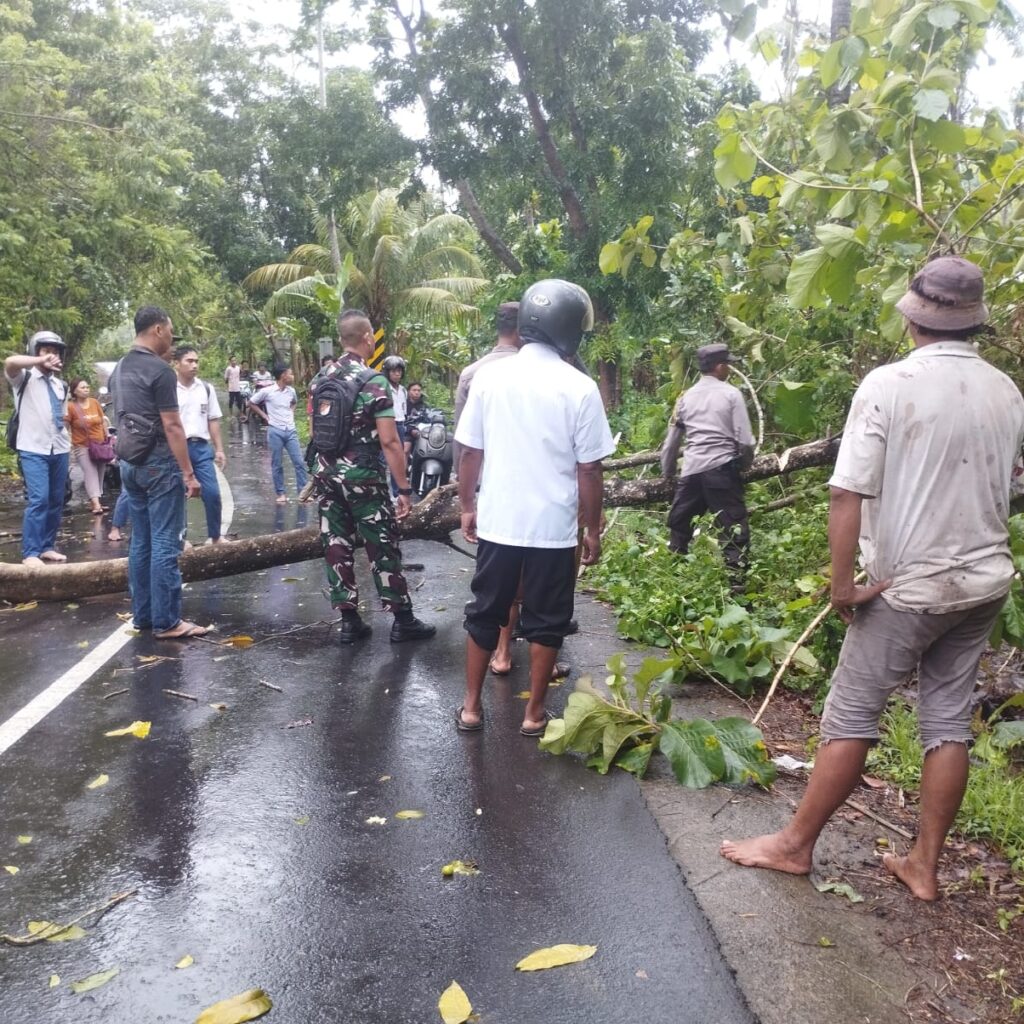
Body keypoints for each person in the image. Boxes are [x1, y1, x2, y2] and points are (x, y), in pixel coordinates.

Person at [721, 256, 1024, 902]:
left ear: (913, 318)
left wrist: (840, 588)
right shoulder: (1007, 392)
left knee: (852, 712)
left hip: (906, 588)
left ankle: (795, 845)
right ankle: (925, 864)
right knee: (946, 720)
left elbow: (846, 493)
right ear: (974, 324)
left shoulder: (889, 385)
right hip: (983, 584)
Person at [454, 279, 615, 735]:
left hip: (499, 524)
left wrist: (468, 506)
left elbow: (469, 452)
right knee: (548, 620)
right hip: (553, 529)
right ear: (569, 329)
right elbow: (590, 470)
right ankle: (533, 715)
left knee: (485, 611)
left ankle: (470, 708)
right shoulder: (580, 388)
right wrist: (593, 529)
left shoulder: (490, 378)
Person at [311, 309, 435, 645]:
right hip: (363, 477)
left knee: (335, 544)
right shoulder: (374, 381)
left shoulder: (321, 379)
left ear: (341, 340)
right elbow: (390, 440)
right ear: (368, 338)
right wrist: (405, 488)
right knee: (381, 544)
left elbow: (316, 431)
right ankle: (402, 619)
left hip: (326, 476)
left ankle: (349, 622)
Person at [113, 306, 207, 639]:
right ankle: (168, 621)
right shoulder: (160, 371)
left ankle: (144, 616)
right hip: (159, 465)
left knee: (141, 542)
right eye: (169, 330)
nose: (171, 336)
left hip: (129, 464)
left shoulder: (120, 367)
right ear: (156, 329)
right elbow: (172, 424)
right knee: (166, 543)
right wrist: (188, 473)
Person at [661, 343, 754, 588]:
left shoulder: (685, 398)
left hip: (691, 473)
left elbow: (671, 443)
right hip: (722, 471)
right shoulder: (731, 394)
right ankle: (737, 589)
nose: (730, 370)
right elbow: (745, 441)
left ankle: (673, 585)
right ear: (720, 367)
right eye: (728, 365)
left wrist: (668, 473)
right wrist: (745, 466)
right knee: (733, 532)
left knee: (680, 528)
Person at [4, 331, 71, 566]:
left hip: (59, 448)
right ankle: (30, 552)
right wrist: (39, 362)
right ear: (35, 352)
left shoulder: (61, 384)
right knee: (39, 499)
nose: (51, 355)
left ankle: (46, 547)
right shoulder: (23, 378)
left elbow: (61, 415)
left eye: (54, 352)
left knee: (56, 499)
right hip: (33, 448)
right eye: (46, 351)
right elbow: (10, 362)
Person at [452, 302, 521, 472]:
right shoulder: (540, 373)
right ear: (522, 330)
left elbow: (462, 438)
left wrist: (462, 480)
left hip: (482, 480)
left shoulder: (471, 373)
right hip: (527, 479)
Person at [175, 345, 227, 543]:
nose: (194, 365)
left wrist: (219, 449)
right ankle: (181, 539)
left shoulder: (206, 388)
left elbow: (213, 419)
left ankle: (215, 536)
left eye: (196, 361)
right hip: (178, 448)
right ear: (177, 364)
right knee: (179, 494)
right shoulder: (169, 388)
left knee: (212, 492)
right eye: (189, 361)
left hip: (201, 447)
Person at [248, 365, 308, 503]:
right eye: (290, 374)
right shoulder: (267, 391)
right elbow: (251, 403)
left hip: (290, 430)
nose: (292, 377)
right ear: (283, 376)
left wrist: (290, 413)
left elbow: (294, 403)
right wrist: (265, 416)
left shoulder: (291, 391)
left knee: (298, 462)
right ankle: (280, 493)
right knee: (277, 463)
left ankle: (303, 492)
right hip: (275, 430)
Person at [66, 377, 111, 516]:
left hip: (100, 444)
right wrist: (67, 443)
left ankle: (95, 500)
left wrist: (108, 437)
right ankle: (96, 503)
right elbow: (66, 426)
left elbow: (102, 420)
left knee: (100, 472)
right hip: (82, 446)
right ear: (74, 391)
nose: (86, 390)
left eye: (87, 387)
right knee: (90, 472)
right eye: (82, 388)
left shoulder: (95, 402)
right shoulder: (70, 406)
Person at [382, 355, 408, 495]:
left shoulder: (403, 390)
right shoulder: (383, 389)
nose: (397, 374)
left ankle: (396, 492)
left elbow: (404, 410)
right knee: (383, 458)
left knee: (398, 459)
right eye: (393, 371)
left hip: (400, 424)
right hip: (388, 425)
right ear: (387, 372)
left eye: (399, 371)